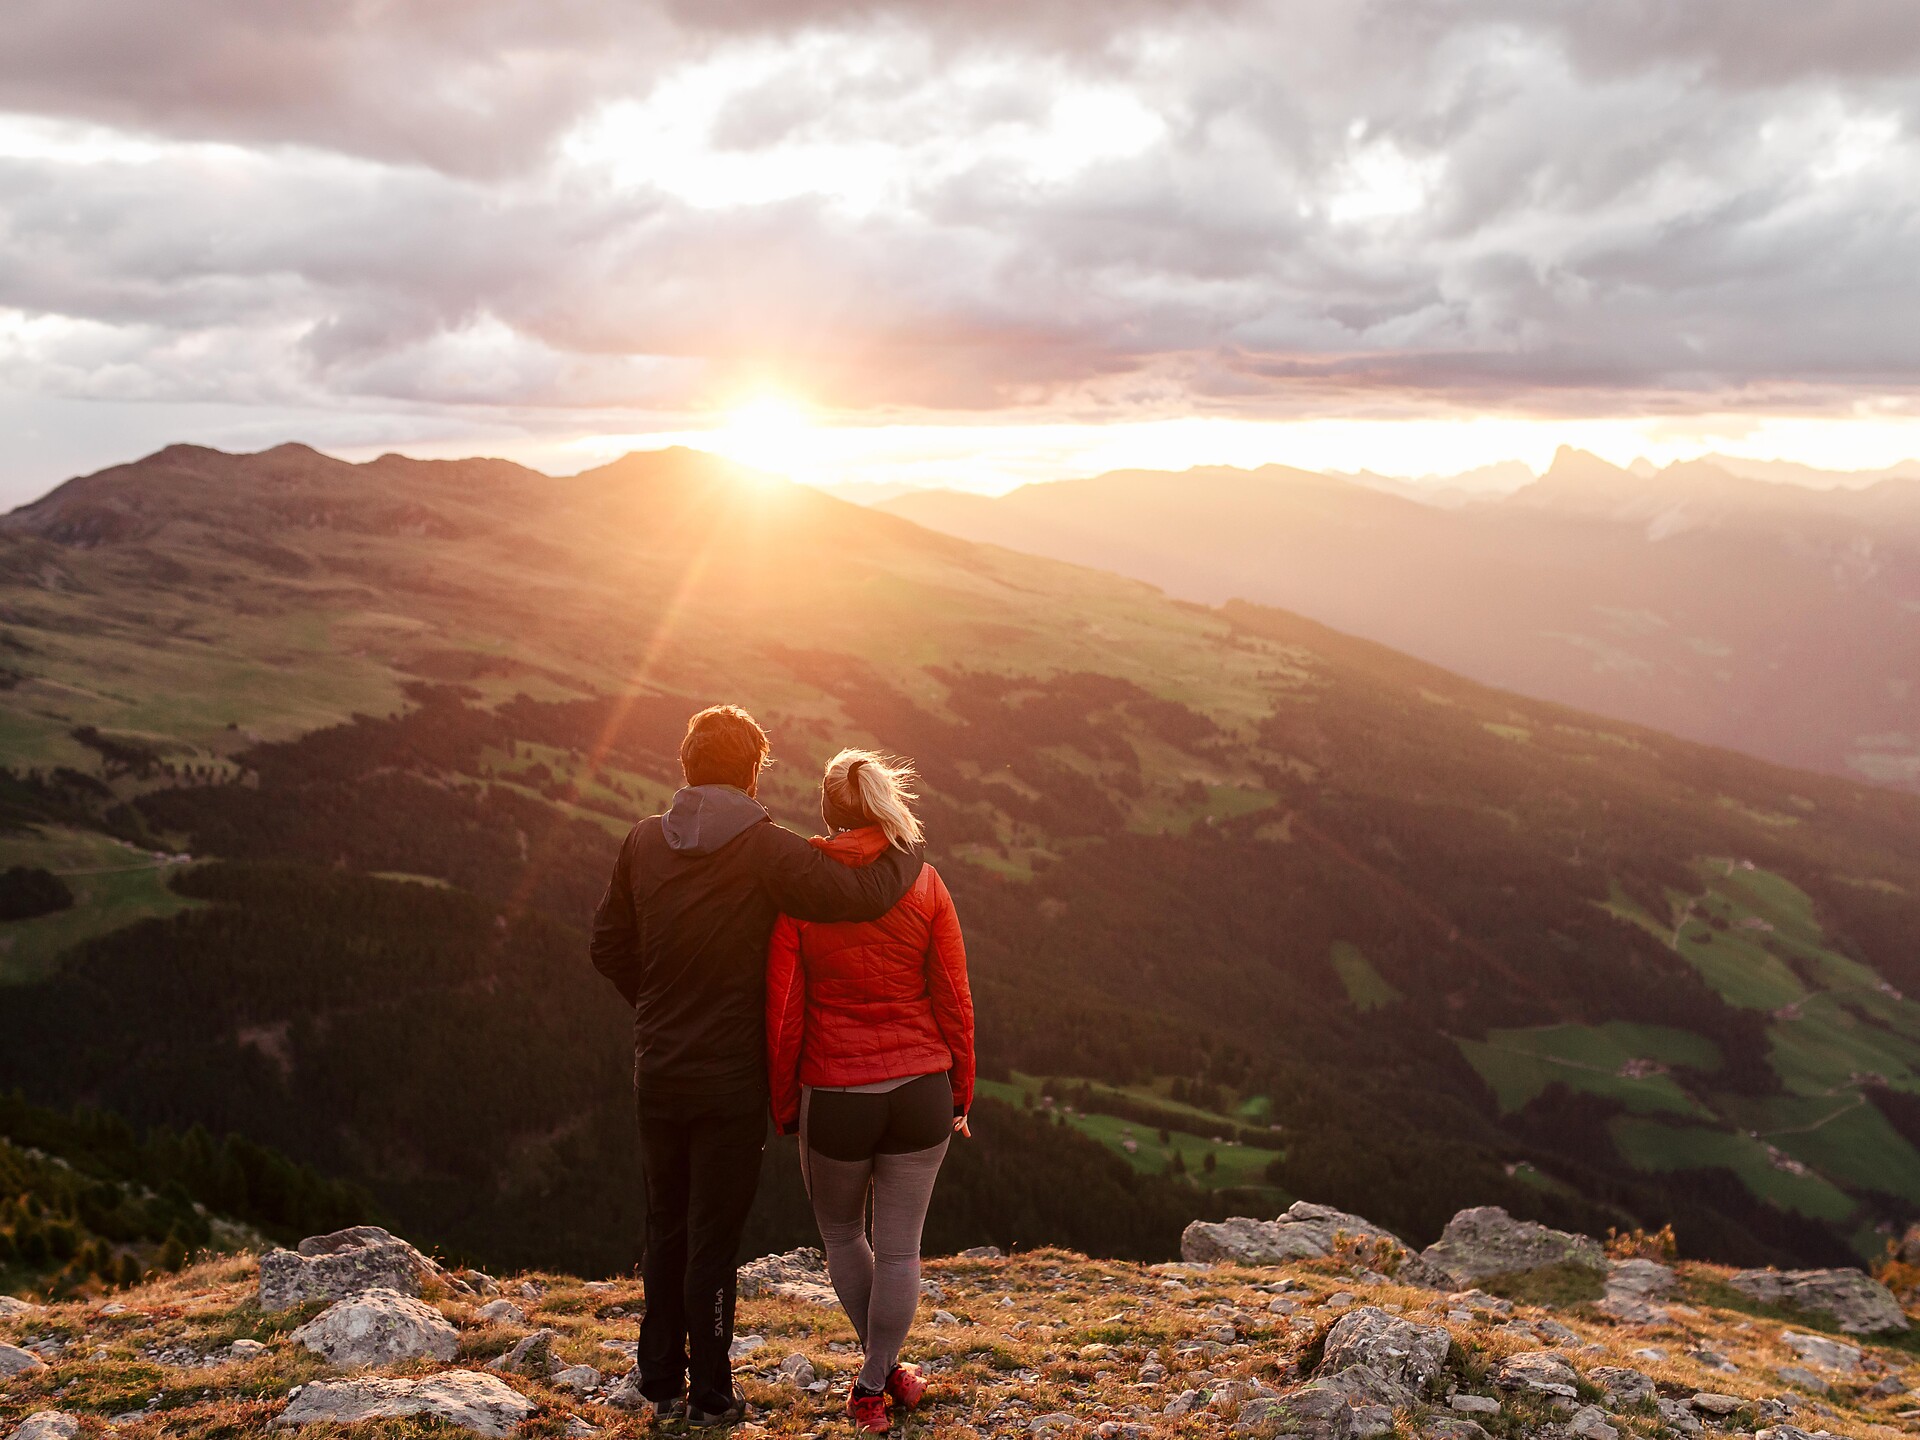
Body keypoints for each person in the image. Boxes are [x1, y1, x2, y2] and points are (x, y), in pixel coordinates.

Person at [590, 706, 925, 1425]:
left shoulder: (643, 841)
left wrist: (655, 1008)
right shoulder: (766, 849)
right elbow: (858, 894)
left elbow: (608, 948)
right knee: (713, 1234)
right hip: (730, 1080)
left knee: (665, 1222)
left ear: (686, 765)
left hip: (659, 1069)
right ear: (751, 772)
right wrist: (906, 849)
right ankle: (711, 1395)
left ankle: (659, 1381)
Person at [764, 749, 974, 1435]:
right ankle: (879, 1377)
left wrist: (786, 1104)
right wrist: (961, 1091)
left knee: (841, 1234)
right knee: (902, 1250)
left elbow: (785, 1007)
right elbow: (954, 997)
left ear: (829, 811)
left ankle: (872, 1382)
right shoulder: (927, 882)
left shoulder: (804, 893)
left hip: (838, 1092)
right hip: (921, 1091)